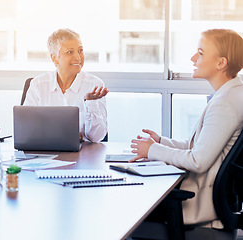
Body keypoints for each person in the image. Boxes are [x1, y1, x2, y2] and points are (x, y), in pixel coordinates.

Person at [131, 29, 243, 228]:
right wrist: (161, 142)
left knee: (129, 207)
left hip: (198, 207)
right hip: (213, 202)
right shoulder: (233, 93)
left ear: (221, 63)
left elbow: (197, 161)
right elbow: (200, 147)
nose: (193, 58)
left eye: (200, 53)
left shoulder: (224, 104)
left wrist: (152, 150)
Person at [24, 28, 109, 142]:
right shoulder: (38, 84)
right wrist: (60, 135)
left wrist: (91, 103)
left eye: (80, 50)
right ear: (54, 58)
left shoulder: (94, 85)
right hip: (46, 153)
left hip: (83, 155)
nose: (78, 57)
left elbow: (97, 138)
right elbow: (26, 129)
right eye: (70, 52)